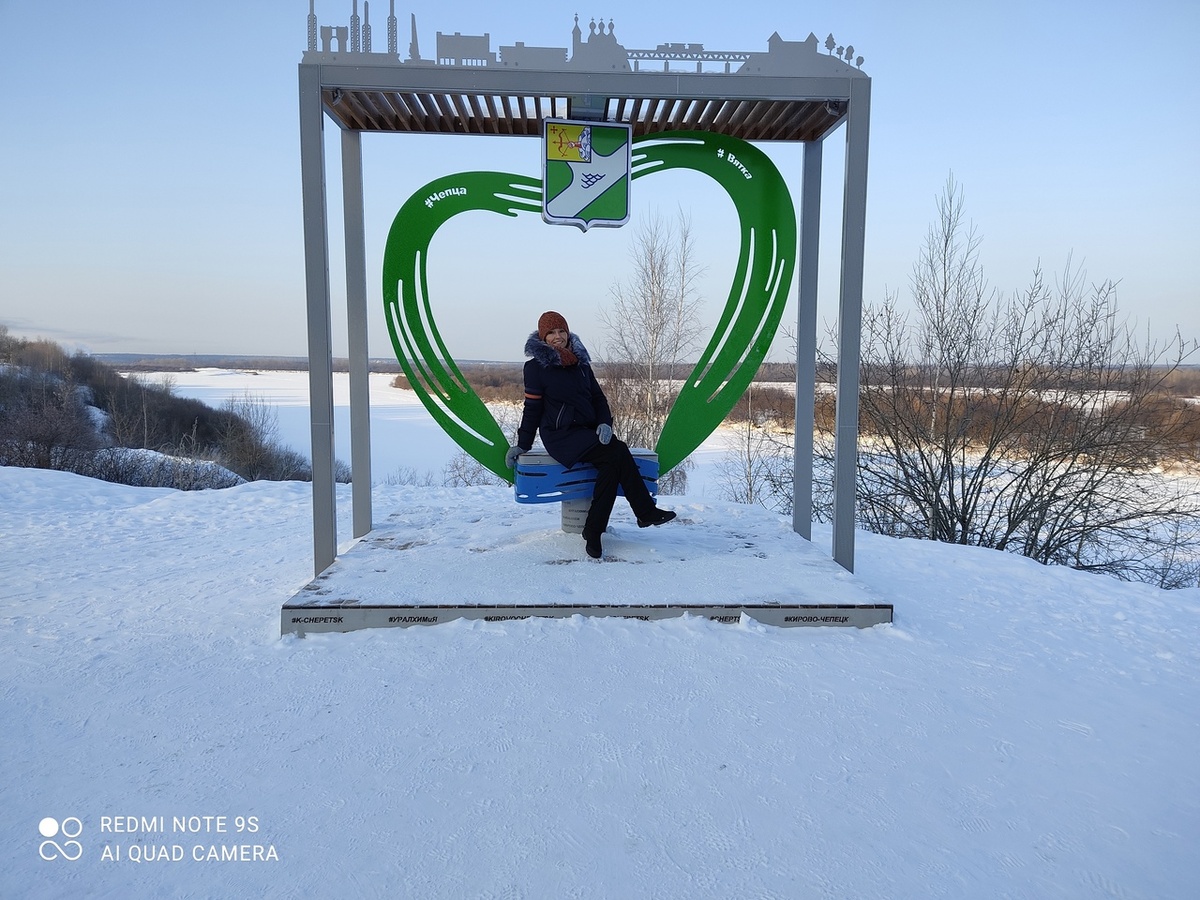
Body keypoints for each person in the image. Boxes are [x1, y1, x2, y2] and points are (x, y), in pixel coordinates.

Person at [505, 311, 676, 559]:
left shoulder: (580, 363)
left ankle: (594, 531)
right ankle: (643, 512)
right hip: (560, 436)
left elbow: (597, 398)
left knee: (611, 464)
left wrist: (604, 423)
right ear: (543, 337)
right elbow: (532, 407)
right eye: (551, 333)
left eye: (561, 331)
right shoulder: (535, 368)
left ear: (567, 332)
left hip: (587, 433)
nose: (557, 337)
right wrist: (523, 444)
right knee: (617, 451)